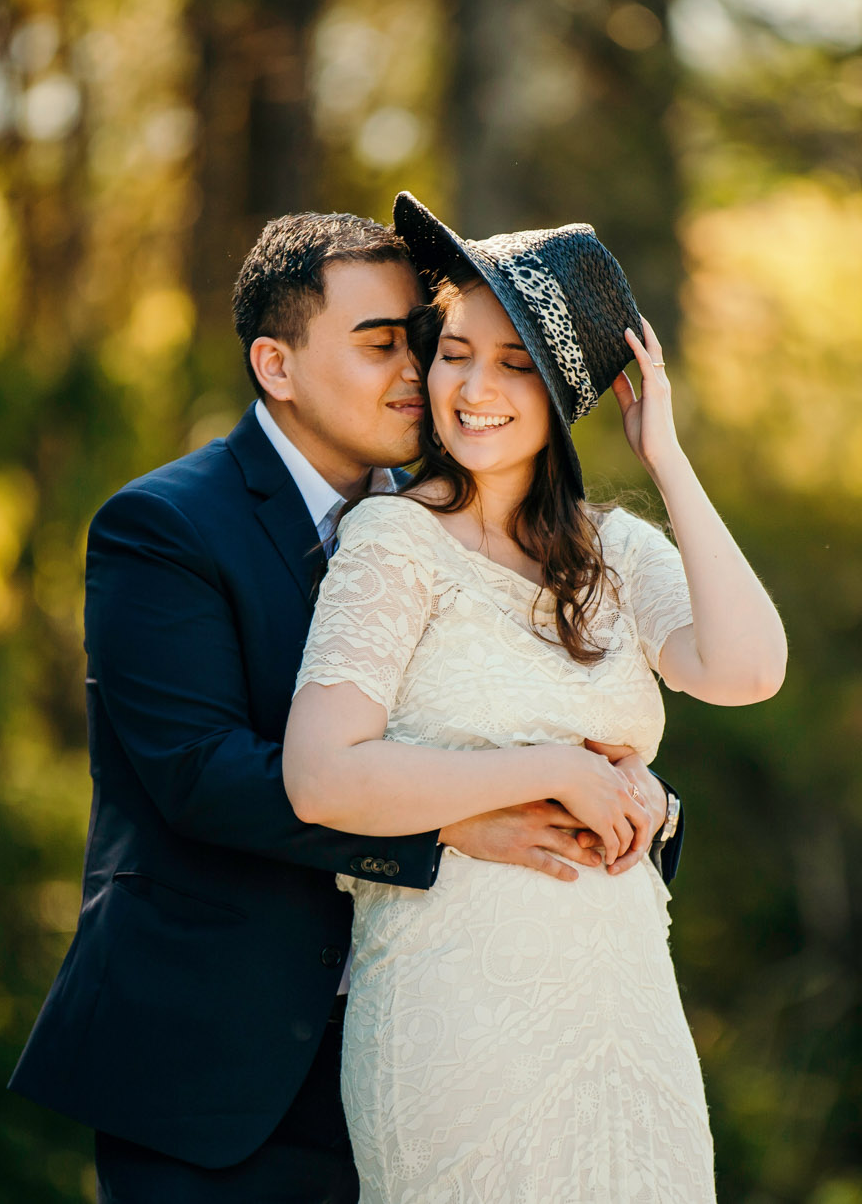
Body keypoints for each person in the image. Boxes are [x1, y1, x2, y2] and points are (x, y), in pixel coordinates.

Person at [8, 210, 687, 1203]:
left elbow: (512, 719)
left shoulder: (458, 521)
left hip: (424, 1051)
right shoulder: (161, 526)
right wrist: (452, 821)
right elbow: (198, 773)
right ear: (275, 366)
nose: (419, 372)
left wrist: (629, 798)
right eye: (380, 344)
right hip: (214, 1074)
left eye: (420, 339)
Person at [281, 193, 787, 1202]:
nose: (472, 387)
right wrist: (557, 767)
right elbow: (319, 774)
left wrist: (669, 461)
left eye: (514, 365)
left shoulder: (616, 552)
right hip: (456, 1008)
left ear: (561, 397)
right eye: (455, 351)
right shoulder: (394, 540)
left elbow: (747, 670)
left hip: (623, 1005)